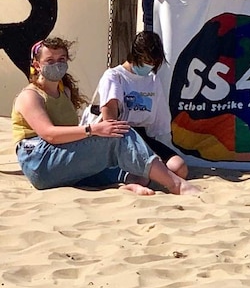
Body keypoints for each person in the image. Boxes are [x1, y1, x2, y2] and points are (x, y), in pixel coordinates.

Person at [12, 38, 199, 195]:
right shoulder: (30, 95)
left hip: (57, 158)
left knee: (136, 174)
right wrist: (93, 130)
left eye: (61, 59)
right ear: (37, 65)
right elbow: (49, 134)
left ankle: (125, 184)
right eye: (50, 61)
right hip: (39, 160)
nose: (57, 64)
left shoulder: (64, 92)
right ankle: (176, 185)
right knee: (119, 133)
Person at [88, 31, 188, 180]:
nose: (149, 65)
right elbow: (110, 121)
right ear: (135, 55)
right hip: (119, 133)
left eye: (153, 62)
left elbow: (158, 122)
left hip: (141, 134)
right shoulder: (114, 76)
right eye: (146, 60)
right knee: (142, 176)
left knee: (179, 168)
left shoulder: (152, 79)